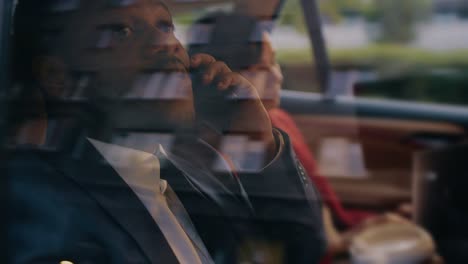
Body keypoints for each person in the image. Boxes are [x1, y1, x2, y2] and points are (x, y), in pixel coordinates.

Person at [5, 0, 326, 263]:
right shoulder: (36, 203)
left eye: (165, 25)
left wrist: (260, 141)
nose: (167, 45)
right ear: (57, 77)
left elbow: (300, 254)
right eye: (121, 30)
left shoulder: (193, 168)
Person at [188, 11, 412, 259]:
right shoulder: (243, 143)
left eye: (275, 62)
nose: (277, 75)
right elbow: (280, 235)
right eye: (262, 68)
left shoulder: (281, 120)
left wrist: (367, 226)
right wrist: (349, 241)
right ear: (227, 76)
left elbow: (319, 204)